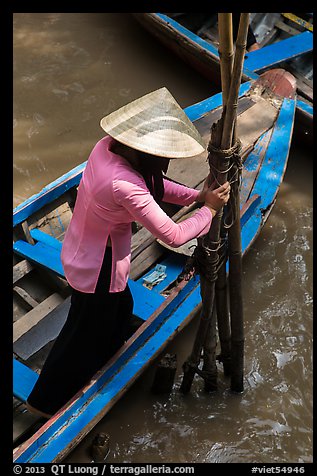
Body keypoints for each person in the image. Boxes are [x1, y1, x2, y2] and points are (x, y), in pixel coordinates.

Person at [26, 87, 231, 418]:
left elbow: (155, 186)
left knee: (120, 309)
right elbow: (174, 235)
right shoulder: (124, 184)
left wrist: (196, 197)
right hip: (98, 266)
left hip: (84, 249)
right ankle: (43, 402)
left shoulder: (106, 147)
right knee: (80, 336)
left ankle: (108, 357)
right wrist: (208, 210)